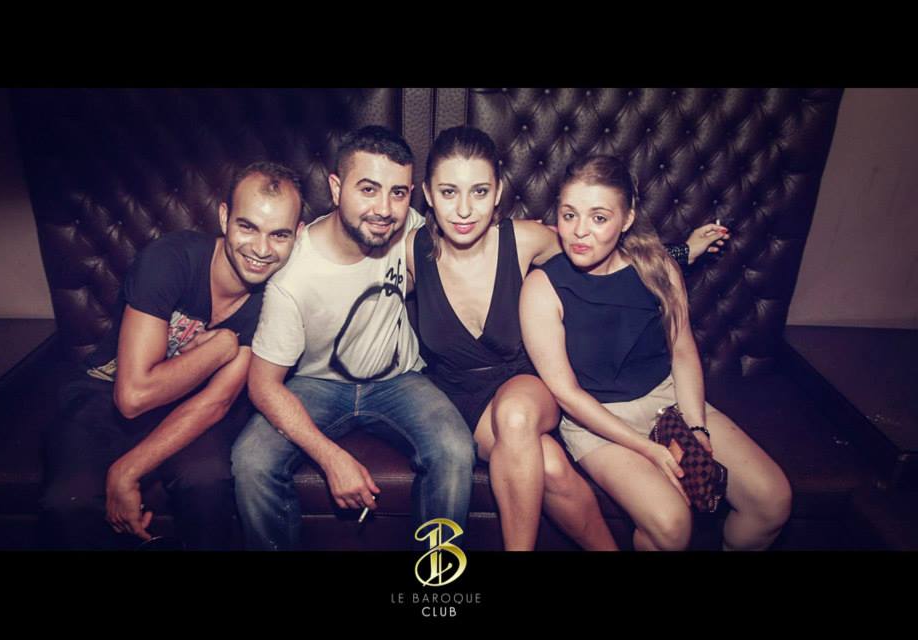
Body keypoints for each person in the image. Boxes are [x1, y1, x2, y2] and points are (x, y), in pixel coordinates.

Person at [520, 153, 792, 551]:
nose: (580, 231)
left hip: (668, 399)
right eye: (569, 214)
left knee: (772, 501)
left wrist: (696, 428)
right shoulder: (541, 288)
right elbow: (567, 394)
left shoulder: (658, 267)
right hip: (595, 420)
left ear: (627, 218)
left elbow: (682, 351)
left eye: (599, 217)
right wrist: (648, 449)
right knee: (670, 525)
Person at [231, 126, 476, 551]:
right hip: (315, 384)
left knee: (455, 450)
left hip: (399, 380)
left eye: (398, 193)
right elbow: (263, 385)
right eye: (368, 189)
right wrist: (331, 458)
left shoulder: (411, 229)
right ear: (336, 187)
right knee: (251, 461)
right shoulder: (293, 275)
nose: (384, 209)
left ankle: (436, 580)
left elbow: (478, 237)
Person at [39, 161, 304, 550]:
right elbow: (132, 398)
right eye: (248, 227)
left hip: (192, 405)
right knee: (67, 502)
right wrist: (221, 347)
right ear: (224, 217)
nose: (261, 250)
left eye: (279, 235)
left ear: (297, 234)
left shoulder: (279, 296)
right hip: (103, 391)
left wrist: (127, 470)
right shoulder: (172, 259)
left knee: (207, 482)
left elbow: (217, 401)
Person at [407, 126, 616, 551]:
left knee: (517, 416)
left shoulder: (523, 239)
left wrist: (679, 253)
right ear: (427, 193)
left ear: (498, 191)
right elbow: (350, 263)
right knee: (550, 467)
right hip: (459, 401)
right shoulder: (411, 251)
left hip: (525, 383)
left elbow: (601, 250)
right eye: (448, 192)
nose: (464, 210)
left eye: (479, 192)